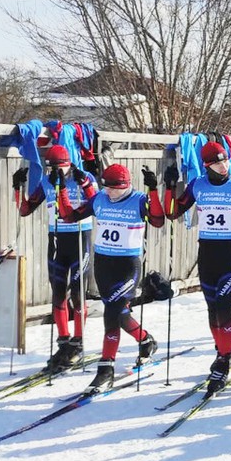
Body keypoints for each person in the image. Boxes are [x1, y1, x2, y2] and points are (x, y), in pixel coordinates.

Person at [164, 140, 231, 392]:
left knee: (224, 309)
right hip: (207, 253)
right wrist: (169, 186)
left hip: (230, 254)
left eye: (225, 161)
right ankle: (221, 350)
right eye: (217, 162)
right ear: (206, 165)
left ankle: (223, 360)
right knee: (212, 309)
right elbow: (172, 212)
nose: (224, 166)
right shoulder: (198, 185)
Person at [57, 163, 166, 391]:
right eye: (107, 188)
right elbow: (68, 217)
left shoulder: (137, 199)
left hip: (127, 266)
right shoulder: (100, 199)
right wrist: (62, 189)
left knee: (111, 314)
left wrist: (153, 190)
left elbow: (158, 220)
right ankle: (146, 341)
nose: (110, 193)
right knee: (121, 314)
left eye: (115, 189)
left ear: (126, 186)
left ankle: (106, 369)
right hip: (104, 266)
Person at [13, 144, 97, 373]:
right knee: (58, 292)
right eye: (52, 167)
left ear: (69, 163)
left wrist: (85, 184)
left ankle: (78, 342)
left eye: (61, 167)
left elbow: (98, 203)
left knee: (79, 293)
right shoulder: (46, 181)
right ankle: (63, 341)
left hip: (80, 237)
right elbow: (25, 209)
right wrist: (18, 188)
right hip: (57, 239)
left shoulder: (83, 176)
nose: (57, 172)